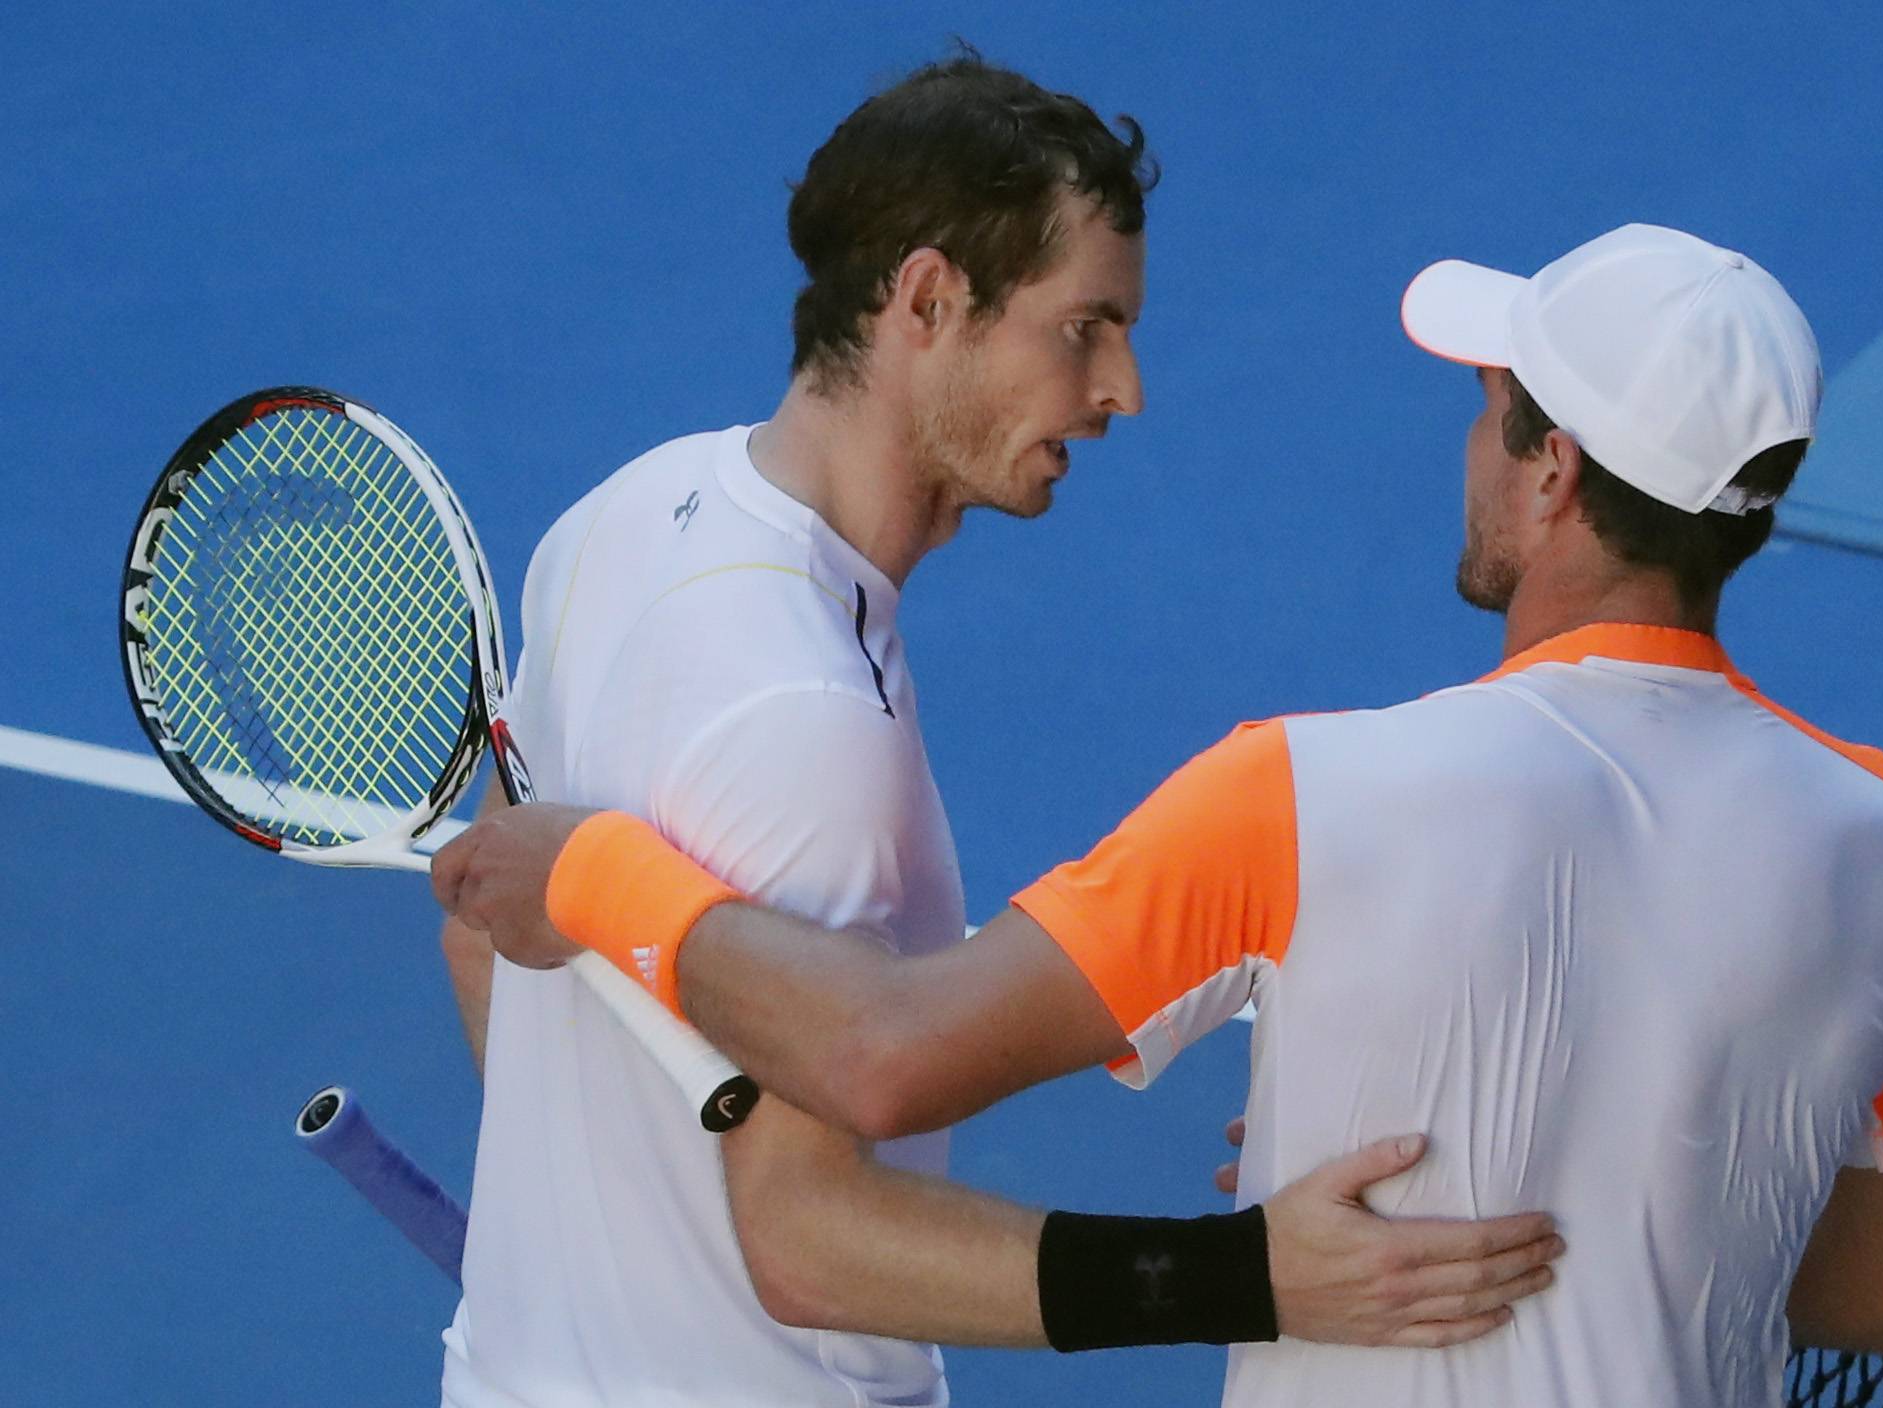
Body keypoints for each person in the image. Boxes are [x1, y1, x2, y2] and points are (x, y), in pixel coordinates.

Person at [436, 222, 1883, 1406]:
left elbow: (884, 1056)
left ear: (1554, 472)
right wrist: (1631, 1176)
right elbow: (1881, 1293)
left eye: (1490, 414)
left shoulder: (1303, 797)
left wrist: (596, 873)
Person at [435, 50, 1563, 1408]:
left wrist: (591, 1247)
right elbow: (805, 1242)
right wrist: (1249, 1274)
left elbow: (485, 929)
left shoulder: (616, 521)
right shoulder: (811, 722)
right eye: (1083, 327)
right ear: (928, 300)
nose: (1123, 388)